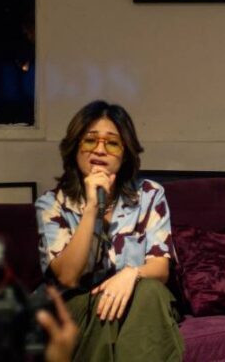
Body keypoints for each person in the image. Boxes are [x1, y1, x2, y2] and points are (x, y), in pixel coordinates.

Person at [35, 100, 184, 362]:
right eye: (90, 141)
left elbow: (160, 268)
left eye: (112, 143)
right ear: (75, 147)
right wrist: (92, 208)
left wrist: (130, 274)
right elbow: (68, 277)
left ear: (125, 153)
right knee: (131, 303)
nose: (100, 150)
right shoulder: (52, 205)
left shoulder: (149, 195)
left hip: (138, 302)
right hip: (78, 309)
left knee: (150, 292)